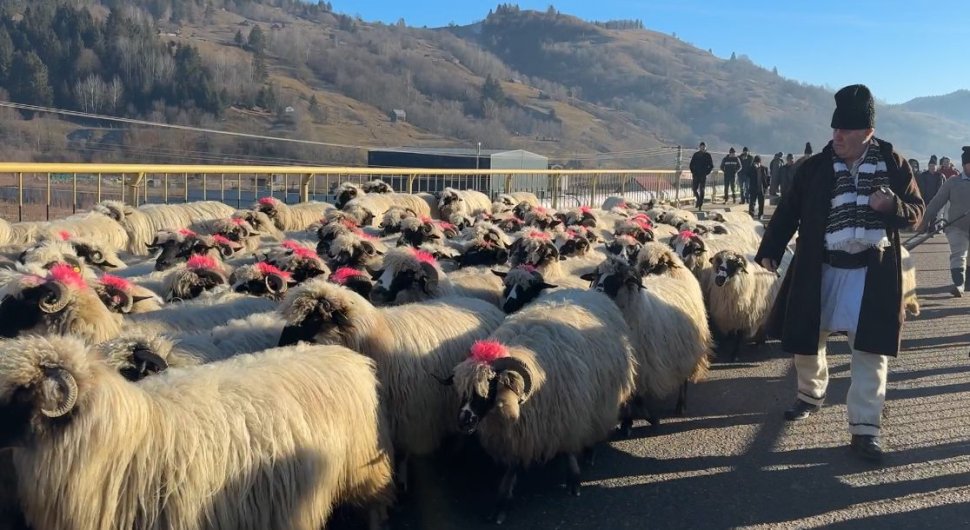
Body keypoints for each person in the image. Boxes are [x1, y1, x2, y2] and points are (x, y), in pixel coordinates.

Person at [755, 84, 924, 463]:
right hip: (823, 266)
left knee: (869, 351)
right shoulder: (814, 167)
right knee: (807, 338)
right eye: (834, 130)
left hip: (872, 270)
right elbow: (788, 211)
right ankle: (810, 393)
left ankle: (865, 428)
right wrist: (770, 248)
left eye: (845, 131)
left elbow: (917, 210)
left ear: (868, 132)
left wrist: (892, 204)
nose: (837, 137)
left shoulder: (893, 162)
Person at [917, 147, 970, 297]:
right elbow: (936, 203)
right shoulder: (953, 182)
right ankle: (959, 285)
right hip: (956, 226)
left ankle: (966, 283)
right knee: (959, 253)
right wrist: (924, 222)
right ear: (965, 164)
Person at [688, 141, 714, 210]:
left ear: (705, 148)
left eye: (704, 147)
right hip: (696, 174)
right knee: (694, 189)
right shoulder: (696, 155)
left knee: (702, 190)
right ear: (699, 147)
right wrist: (693, 172)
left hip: (703, 175)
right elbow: (691, 164)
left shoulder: (708, 155)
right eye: (701, 147)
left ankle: (700, 205)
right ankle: (698, 199)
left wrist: (706, 172)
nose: (702, 148)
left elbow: (711, 166)